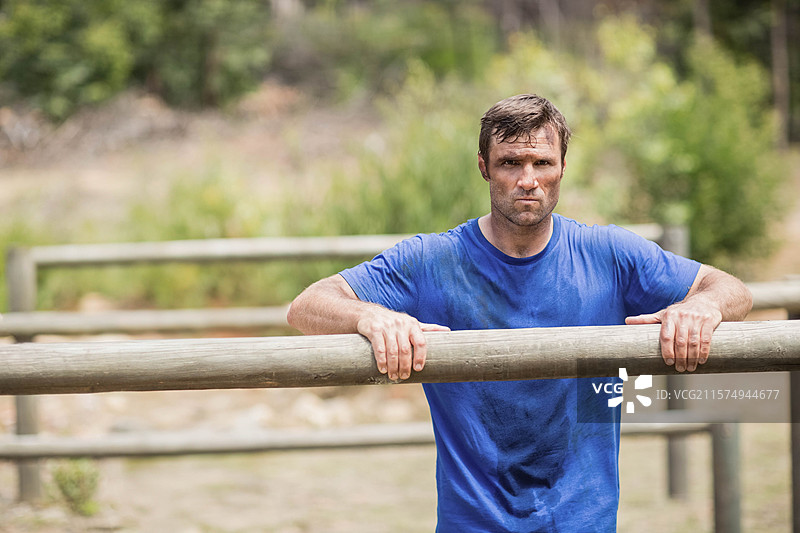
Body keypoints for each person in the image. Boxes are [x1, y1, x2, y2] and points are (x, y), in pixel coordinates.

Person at [287, 94, 752, 532]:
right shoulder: (431, 260)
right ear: (484, 167)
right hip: (472, 523)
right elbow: (307, 305)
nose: (528, 179)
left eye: (542, 163)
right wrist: (371, 317)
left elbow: (729, 288)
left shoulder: (609, 253)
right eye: (511, 162)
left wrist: (701, 307)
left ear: (562, 168)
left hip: (583, 522)